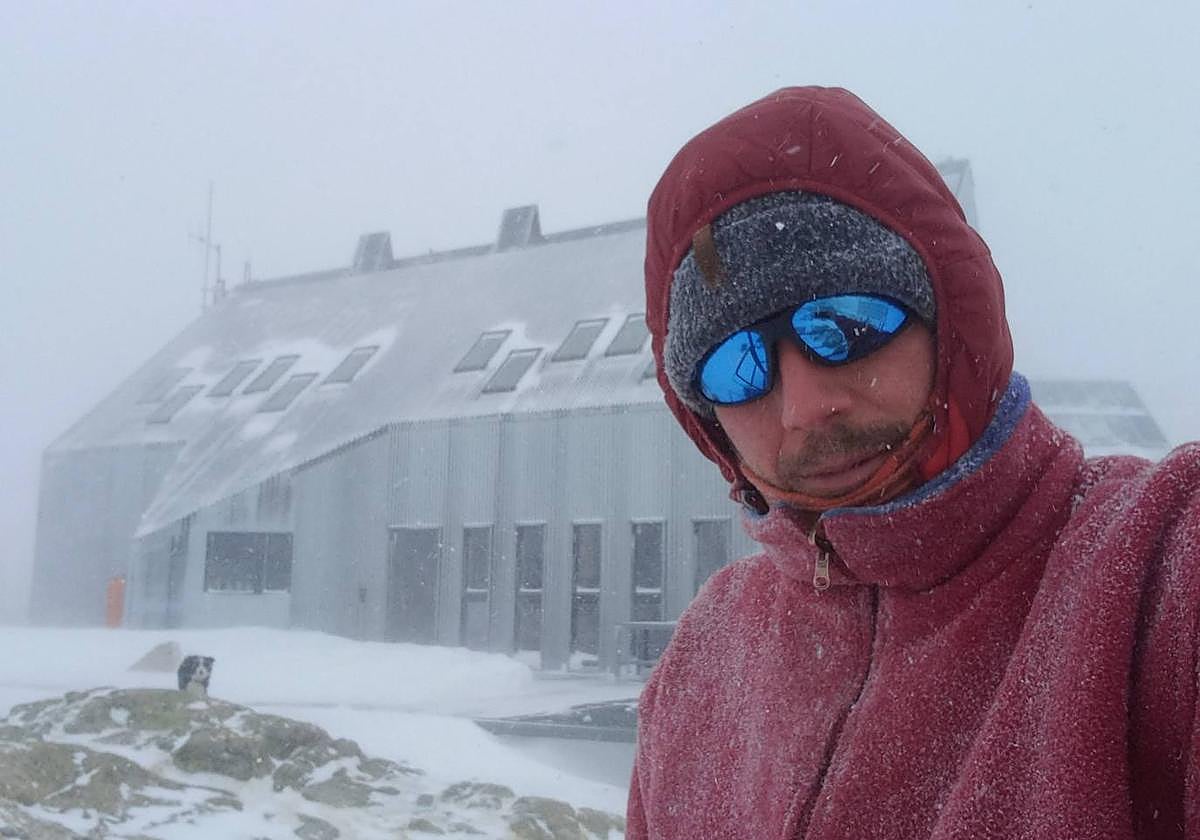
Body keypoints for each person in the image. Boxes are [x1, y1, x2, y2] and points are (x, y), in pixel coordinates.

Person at [628, 86, 1200, 840]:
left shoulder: (1153, 576)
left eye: (845, 325)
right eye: (736, 368)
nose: (803, 407)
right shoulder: (703, 661)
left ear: (950, 316)